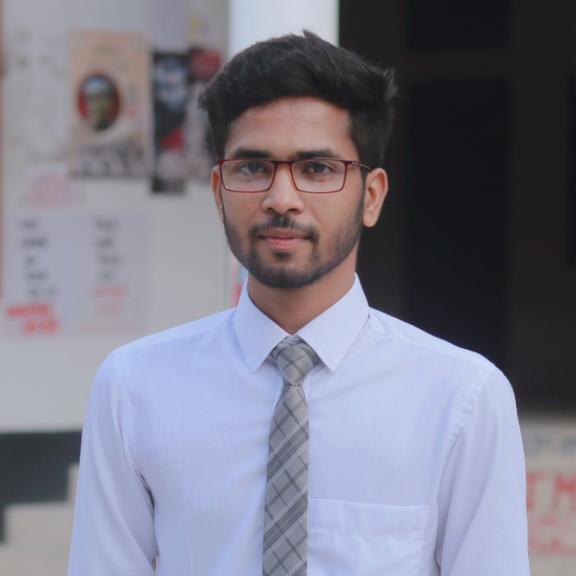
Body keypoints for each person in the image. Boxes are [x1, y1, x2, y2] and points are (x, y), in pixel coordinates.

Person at [68, 31, 530, 575]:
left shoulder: (461, 399)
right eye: (252, 167)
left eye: (317, 169)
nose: (281, 199)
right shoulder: (135, 388)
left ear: (372, 196)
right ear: (218, 190)